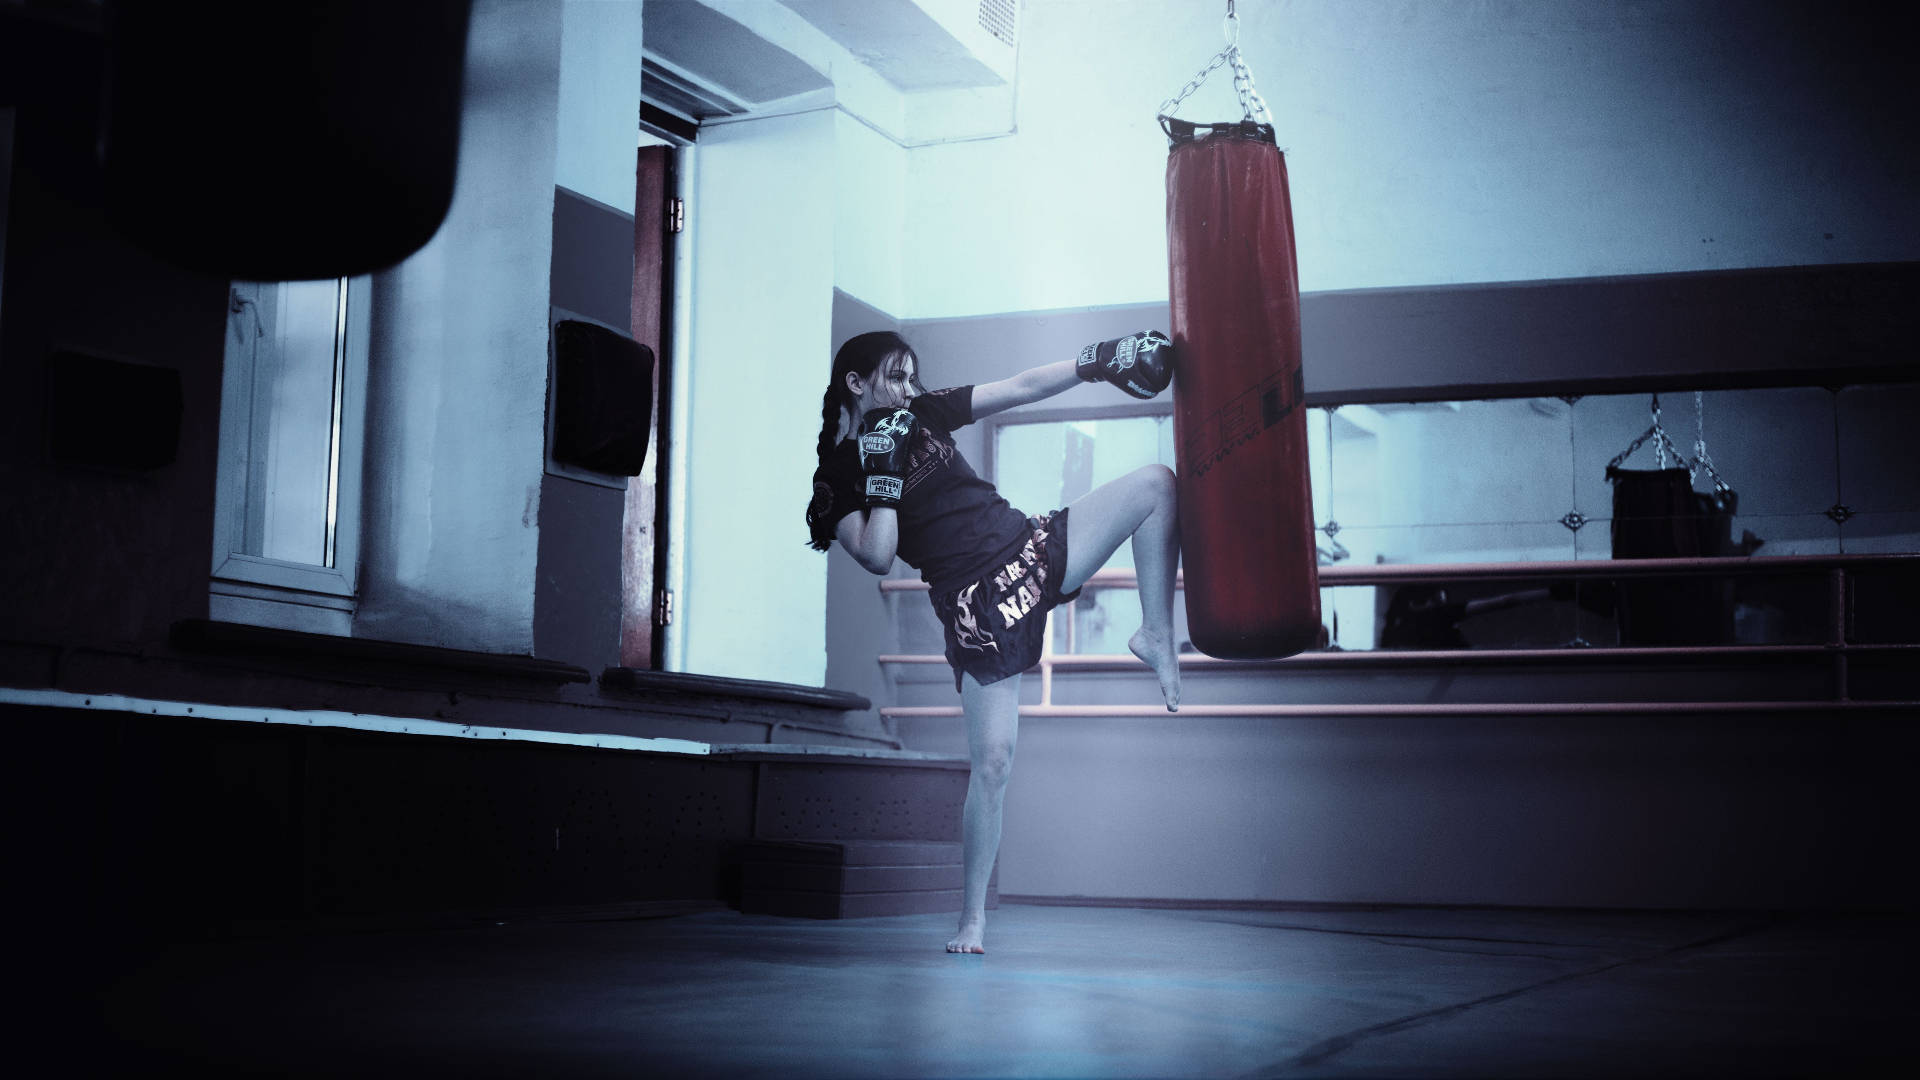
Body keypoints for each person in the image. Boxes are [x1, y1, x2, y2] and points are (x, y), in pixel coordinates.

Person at [805, 330, 1182, 955]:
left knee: (1156, 485)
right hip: (976, 604)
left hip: (1028, 547)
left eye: (910, 379)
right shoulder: (836, 475)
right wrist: (883, 477)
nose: (906, 390)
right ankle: (972, 920)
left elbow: (1019, 388)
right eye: (895, 378)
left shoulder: (921, 413)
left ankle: (1156, 632)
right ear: (856, 383)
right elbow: (876, 556)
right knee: (996, 764)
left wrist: (1095, 363)